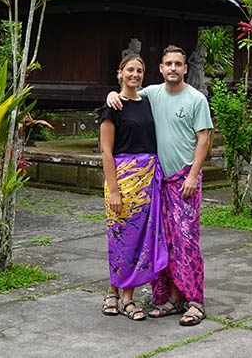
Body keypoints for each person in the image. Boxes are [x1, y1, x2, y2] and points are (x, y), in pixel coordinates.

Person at [107, 45, 212, 326]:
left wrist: (193, 175)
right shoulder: (152, 94)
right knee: (163, 243)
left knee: (186, 242)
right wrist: (111, 95)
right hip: (157, 183)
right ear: (161, 68)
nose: (174, 68)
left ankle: (195, 301)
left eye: (179, 63)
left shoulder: (196, 99)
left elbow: (204, 139)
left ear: (185, 68)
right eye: (169, 64)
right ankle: (171, 298)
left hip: (184, 180)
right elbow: (127, 97)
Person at [98, 55, 168, 321]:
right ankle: (119, 295)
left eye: (139, 70)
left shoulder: (149, 103)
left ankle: (122, 295)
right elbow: (106, 152)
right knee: (120, 238)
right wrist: (114, 190)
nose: (135, 74)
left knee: (140, 241)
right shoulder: (112, 107)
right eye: (130, 70)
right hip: (123, 179)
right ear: (120, 73)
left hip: (147, 180)